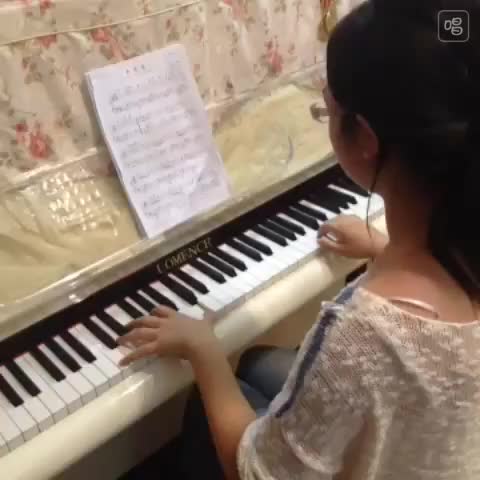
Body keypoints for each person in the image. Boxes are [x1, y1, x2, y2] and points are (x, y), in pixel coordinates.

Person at [118, 0, 480, 478]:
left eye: (325, 107)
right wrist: (381, 248)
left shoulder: (362, 335)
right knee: (256, 365)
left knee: (209, 400)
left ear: (364, 137)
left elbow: (253, 470)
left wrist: (204, 349)